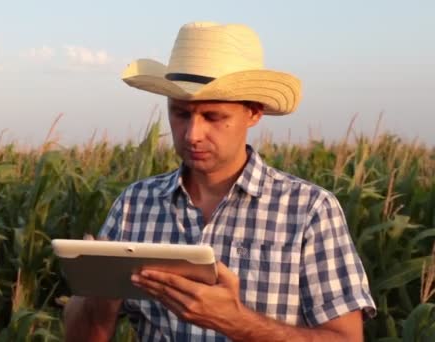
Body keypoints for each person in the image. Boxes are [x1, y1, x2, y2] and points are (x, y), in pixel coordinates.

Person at [63, 21, 376, 341]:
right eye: (180, 114)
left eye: (213, 117)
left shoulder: (309, 210)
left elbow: (346, 337)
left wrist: (235, 321)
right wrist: (98, 294)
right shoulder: (135, 204)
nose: (192, 135)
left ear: (254, 113)